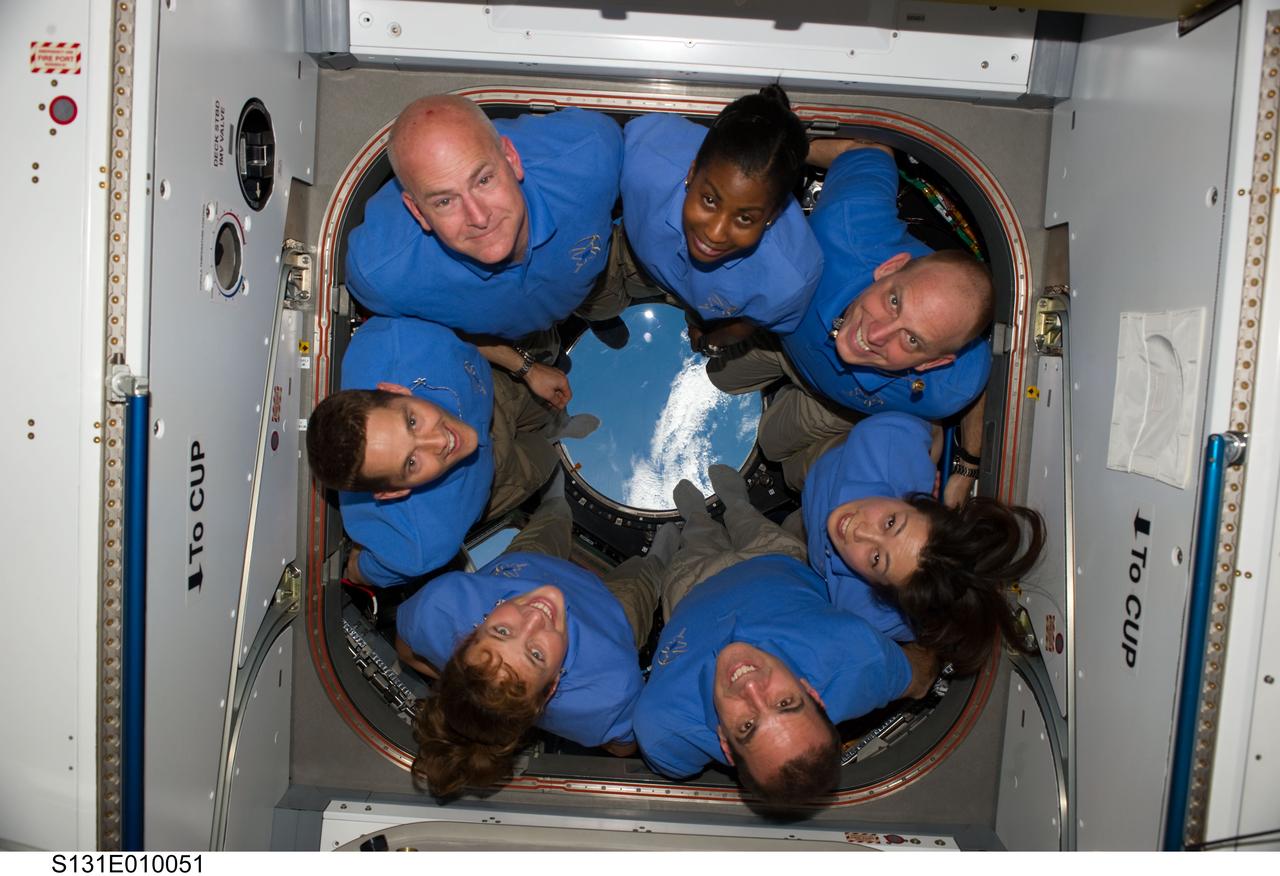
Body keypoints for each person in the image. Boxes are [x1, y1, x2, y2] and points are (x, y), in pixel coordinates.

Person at [633, 467, 936, 813]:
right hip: (773, 559)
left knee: (697, 535)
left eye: (747, 726)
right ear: (811, 693)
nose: (751, 687)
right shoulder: (855, 652)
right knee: (748, 517)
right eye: (785, 702)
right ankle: (735, 500)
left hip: (692, 586)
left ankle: (695, 516)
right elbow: (921, 677)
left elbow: (677, 764)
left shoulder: (661, 727)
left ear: (726, 745)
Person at [708, 137, 995, 495]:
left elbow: (979, 374)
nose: (875, 335)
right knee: (719, 376)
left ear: (931, 363)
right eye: (894, 301)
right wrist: (764, 152)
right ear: (889, 268)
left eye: (912, 339)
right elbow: (870, 150)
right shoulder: (843, 230)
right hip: (781, 339)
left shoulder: (951, 382)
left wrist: (967, 467)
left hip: (835, 404)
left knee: (774, 446)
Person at [395, 479, 680, 797]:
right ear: (553, 688)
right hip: (612, 618)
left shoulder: (440, 606)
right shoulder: (609, 693)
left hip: (526, 567)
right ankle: (656, 561)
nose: (534, 617)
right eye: (535, 655)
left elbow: (405, 650)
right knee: (639, 586)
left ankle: (557, 506)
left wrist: (472, 691)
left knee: (546, 528)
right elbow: (623, 746)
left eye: (501, 632)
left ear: (468, 636)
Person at [344, 95, 630, 407]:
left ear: (511, 158)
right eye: (444, 201)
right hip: (510, 333)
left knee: (603, 297)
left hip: (586, 283)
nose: (479, 217)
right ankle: (551, 351)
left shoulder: (590, 153)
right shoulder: (381, 273)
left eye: (483, 180)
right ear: (418, 212)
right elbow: (430, 329)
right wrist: (526, 368)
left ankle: (599, 316)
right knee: (542, 349)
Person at [305, 317, 596, 587]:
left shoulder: (395, 342)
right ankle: (555, 436)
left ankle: (558, 424)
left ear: (395, 390)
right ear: (395, 492)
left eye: (412, 422)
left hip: (490, 397)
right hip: (494, 478)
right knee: (545, 457)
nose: (440, 441)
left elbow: (459, 329)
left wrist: (527, 369)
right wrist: (362, 546)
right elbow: (358, 570)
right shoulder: (419, 543)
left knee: (548, 406)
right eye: (411, 462)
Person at [801, 412, 1046, 673]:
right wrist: (947, 465)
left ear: (879, 588)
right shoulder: (884, 441)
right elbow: (933, 426)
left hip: (808, 536)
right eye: (891, 523)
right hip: (823, 463)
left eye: (877, 559)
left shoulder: (868, 613)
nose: (859, 532)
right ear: (915, 501)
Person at [620, 86, 822, 356]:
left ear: (773, 215)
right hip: (640, 265)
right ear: (691, 173)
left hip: (709, 308)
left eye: (745, 218)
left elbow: (752, 321)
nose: (715, 234)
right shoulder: (642, 157)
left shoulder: (790, 280)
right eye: (709, 200)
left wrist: (716, 340)